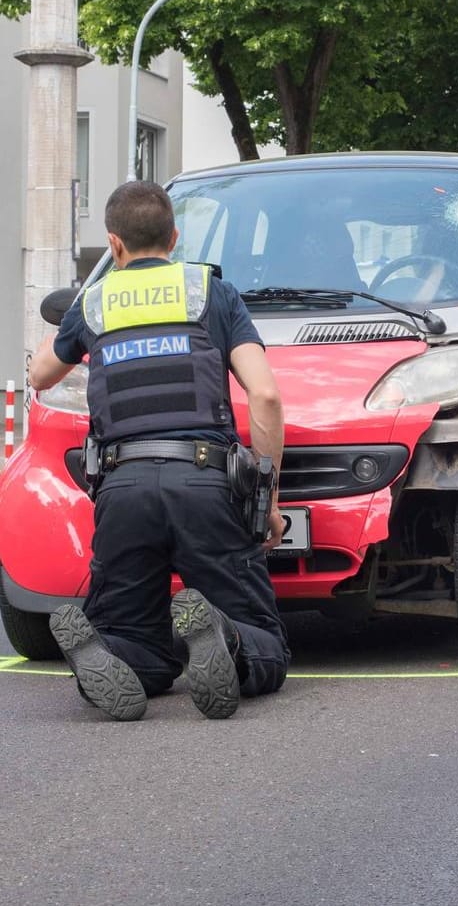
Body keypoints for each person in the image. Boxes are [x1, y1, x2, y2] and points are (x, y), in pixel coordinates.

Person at [27, 179, 290, 722]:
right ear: (174, 236)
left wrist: (76, 313)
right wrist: (269, 501)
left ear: (114, 244)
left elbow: (40, 374)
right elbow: (264, 395)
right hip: (202, 479)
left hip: (122, 490)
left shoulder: (95, 302)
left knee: (129, 632)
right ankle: (225, 634)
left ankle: (111, 653)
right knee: (265, 641)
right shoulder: (211, 292)